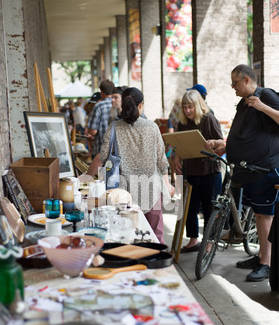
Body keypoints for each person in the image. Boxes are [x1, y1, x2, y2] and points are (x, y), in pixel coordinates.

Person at [207, 64, 279, 282]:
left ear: (247, 80)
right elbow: (243, 133)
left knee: (263, 215)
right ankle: (260, 256)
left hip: (264, 168)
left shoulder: (265, 96)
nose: (232, 87)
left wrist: (263, 107)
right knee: (257, 214)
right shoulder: (244, 102)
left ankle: (266, 263)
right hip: (246, 169)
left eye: (235, 83)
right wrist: (224, 145)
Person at [100, 87, 175, 243]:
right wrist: (167, 184)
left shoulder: (113, 128)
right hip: (151, 191)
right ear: (141, 105)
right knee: (154, 238)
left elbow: (103, 158)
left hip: (123, 193)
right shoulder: (152, 128)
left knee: (125, 237)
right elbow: (162, 161)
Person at [176, 90, 223, 253]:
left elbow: (221, 143)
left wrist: (213, 143)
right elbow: (177, 143)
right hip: (191, 170)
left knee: (210, 208)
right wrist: (176, 159)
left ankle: (209, 241)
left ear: (198, 105)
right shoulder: (182, 122)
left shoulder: (208, 118)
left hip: (210, 171)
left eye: (191, 107)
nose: (188, 111)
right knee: (190, 207)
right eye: (184, 107)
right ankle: (193, 239)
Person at [87, 80, 115, 158]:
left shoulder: (99, 106)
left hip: (101, 151)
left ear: (102, 92)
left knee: (102, 170)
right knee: (114, 170)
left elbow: (92, 131)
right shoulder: (118, 105)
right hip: (116, 152)